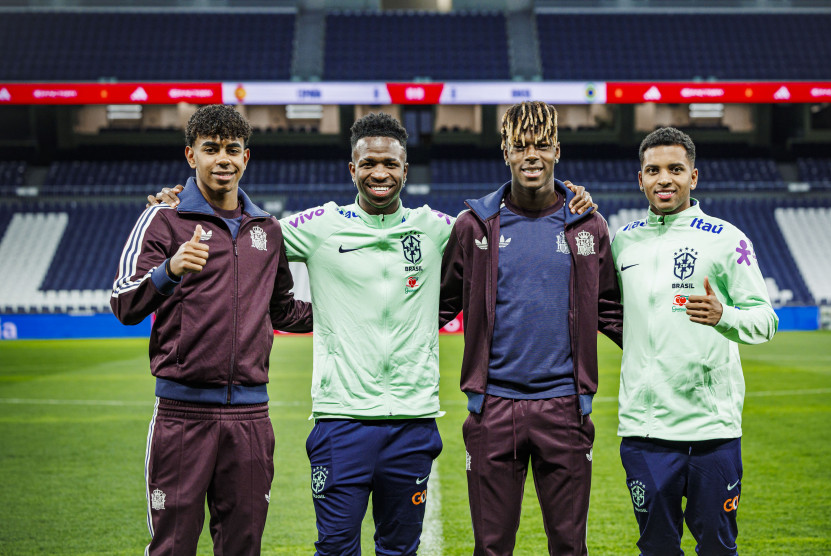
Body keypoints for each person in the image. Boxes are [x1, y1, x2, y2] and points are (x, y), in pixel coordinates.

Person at [149, 111, 595, 555]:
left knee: (399, 550)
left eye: (390, 164)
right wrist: (187, 202)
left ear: (405, 169)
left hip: (413, 419)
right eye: (368, 164)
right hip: (341, 418)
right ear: (352, 169)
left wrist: (571, 196)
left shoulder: (442, 228)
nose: (379, 173)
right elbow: (246, 234)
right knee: (337, 549)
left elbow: (509, 225)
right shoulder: (319, 225)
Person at [110, 104, 313, 556]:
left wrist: (352, 309)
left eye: (232, 149)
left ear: (246, 158)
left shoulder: (268, 230)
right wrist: (169, 270)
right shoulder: (163, 220)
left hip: (251, 419)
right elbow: (123, 302)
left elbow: (283, 311)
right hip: (182, 416)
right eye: (210, 149)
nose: (222, 158)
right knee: (173, 547)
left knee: (243, 546)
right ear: (190, 155)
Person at [438, 100, 624, 556]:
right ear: (505, 152)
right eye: (520, 146)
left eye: (541, 145)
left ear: (557, 149)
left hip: (564, 409)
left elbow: (612, 312)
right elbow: (436, 307)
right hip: (493, 410)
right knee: (492, 547)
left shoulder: (588, 226)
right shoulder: (473, 226)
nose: (531, 155)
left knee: (568, 545)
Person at [612, 127, 778, 555]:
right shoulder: (623, 242)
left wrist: (726, 317)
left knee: (718, 548)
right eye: (653, 170)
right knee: (658, 548)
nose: (664, 179)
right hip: (646, 431)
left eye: (675, 169)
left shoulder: (726, 239)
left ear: (694, 177)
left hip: (712, 430)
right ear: (641, 179)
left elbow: (765, 319)